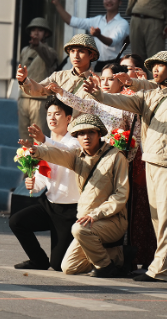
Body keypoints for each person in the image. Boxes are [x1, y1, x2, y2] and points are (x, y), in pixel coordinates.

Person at [84, 51, 167, 281]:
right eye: (154, 66)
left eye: (161, 66)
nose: (156, 70)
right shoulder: (147, 96)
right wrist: (98, 95)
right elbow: (121, 100)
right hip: (149, 161)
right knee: (159, 219)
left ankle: (159, 271)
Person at [47, 63, 156, 270]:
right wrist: (60, 92)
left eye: (111, 79)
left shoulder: (128, 103)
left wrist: (125, 157)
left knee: (123, 209)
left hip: (119, 164)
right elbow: (78, 102)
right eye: (103, 79)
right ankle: (107, 253)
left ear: (120, 82)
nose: (106, 83)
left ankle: (128, 254)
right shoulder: (96, 103)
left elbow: (136, 137)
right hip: (96, 164)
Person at [29, 115, 130, 277]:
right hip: (87, 222)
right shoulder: (76, 155)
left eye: (91, 132)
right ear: (76, 136)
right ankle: (117, 255)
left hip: (112, 220)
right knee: (69, 268)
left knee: (79, 229)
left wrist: (96, 214)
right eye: (81, 133)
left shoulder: (116, 157)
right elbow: (56, 154)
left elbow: (121, 195)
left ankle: (105, 267)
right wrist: (36, 151)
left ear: (99, 134)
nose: (86, 137)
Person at [9, 97, 80, 271]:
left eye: (57, 114)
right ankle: (38, 260)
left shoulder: (75, 142)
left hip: (71, 210)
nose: (52, 118)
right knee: (17, 221)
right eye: (49, 114)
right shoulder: (44, 143)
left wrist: (43, 141)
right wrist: (32, 183)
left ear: (68, 118)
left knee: (58, 266)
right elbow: (43, 178)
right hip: (49, 205)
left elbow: (64, 153)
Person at [17, 34, 98, 119]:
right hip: (60, 130)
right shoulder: (59, 76)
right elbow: (39, 89)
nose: (76, 55)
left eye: (81, 51)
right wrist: (24, 81)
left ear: (91, 55)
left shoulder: (99, 80)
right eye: (72, 51)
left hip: (84, 130)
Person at [51, 0, 129, 61]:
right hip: (99, 64)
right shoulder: (97, 20)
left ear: (120, 2)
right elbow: (71, 21)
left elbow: (112, 42)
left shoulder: (123, 23)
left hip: (116, 63)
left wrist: (98, 35)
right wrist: (57, 4)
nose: (109, 0)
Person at [16, 17, 58, 137]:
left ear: (46, 33)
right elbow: (20, 77)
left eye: (40, 30)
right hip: (24, 99)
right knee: (24, 137)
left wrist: (38, 45)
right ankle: (24, 157)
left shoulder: (50, 52)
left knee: (39, 138)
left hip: (40, 101)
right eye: (33, 29)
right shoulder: (24, 51)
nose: (36, 32)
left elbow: (48, 57)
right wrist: (19, 100)